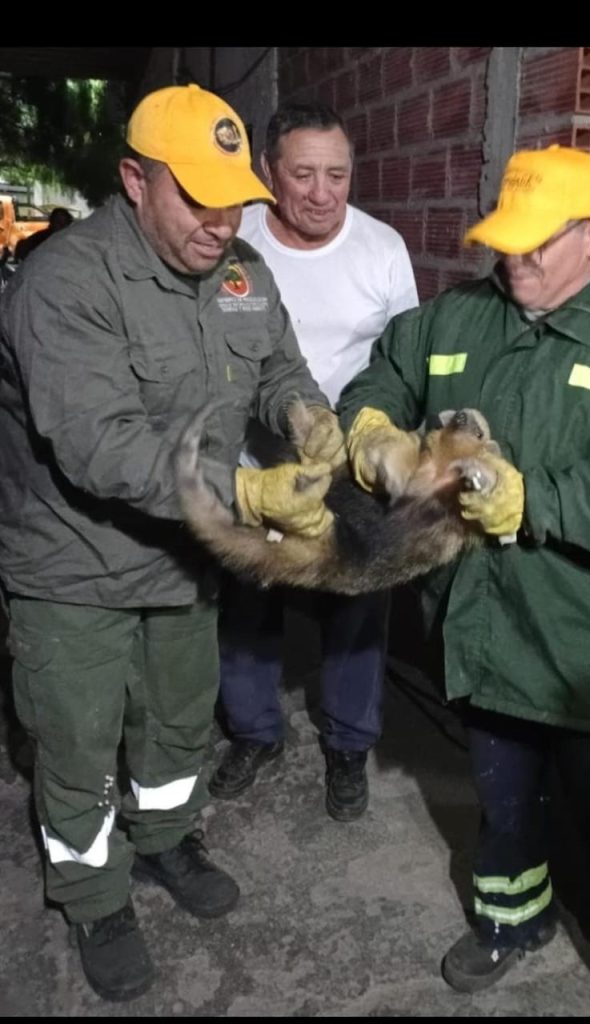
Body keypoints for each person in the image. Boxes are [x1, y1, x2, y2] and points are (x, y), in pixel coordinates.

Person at [339, 145, 590, 1016]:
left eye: (539, 243)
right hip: (478, 626)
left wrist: (530, 500)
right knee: (503, 802)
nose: (517, 259)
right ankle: (513, 920)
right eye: (506, 241)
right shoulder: (458, 319)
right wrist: (367, 428)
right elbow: (384, 373)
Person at [0, 83, 341, 1003]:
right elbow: (97, 443)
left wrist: (312, 418)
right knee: (76, 743)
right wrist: (245, 488)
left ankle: (163, 843)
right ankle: (91, 894)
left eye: (232, 197)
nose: (220, 220)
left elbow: (278, 366)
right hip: (72, 565)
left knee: (176, 722)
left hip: (184, 560)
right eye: (196, 196)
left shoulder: (240, 272)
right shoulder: (65, 283)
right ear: (134, 181)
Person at [209, 103, 418, 820]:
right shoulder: (231, 241)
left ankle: (348, 745)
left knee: (358, 610)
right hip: (256, 465)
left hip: (352, 474)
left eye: (338, 174)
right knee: (248, 606)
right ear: (270, 171)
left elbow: (402, 362)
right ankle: (254, 732)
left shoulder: (383, 249)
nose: (324, 192)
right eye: (303, 174)